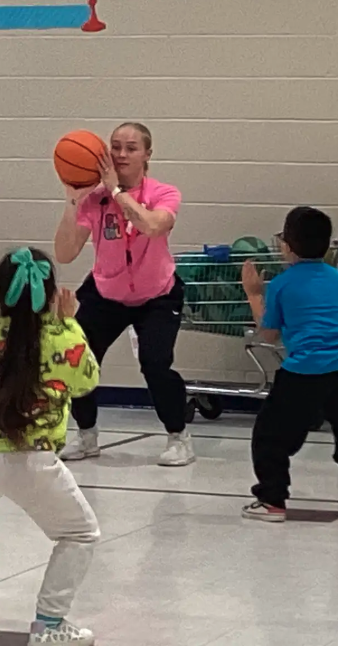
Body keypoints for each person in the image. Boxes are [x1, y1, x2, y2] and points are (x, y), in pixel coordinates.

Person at [0, 247, 101, 646]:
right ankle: (49, 625)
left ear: (0, 296)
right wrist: (69, 324)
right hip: (30, 458)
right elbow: (86, 381)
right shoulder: (61, 337)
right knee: (80, 533)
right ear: (52, 296)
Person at [53, 122, 194, 466]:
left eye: (131, 148)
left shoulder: (164, 192)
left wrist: (118, 193)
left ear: (148, 154)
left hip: (157, 294)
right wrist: (73, 200)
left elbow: (152, 225)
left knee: (155, 362)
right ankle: (86, 435)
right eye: (115, 147)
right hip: (106, 291)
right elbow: (64, 252)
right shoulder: (95, 199)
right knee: (76, 358)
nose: (120, 154)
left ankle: (179, 436)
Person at [240, 207, 338, 522]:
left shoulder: (281, 285)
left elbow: (270, 333)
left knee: (270, 436)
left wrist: (253, 294)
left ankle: (272, 500)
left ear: (286, 245)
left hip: (305, 371)